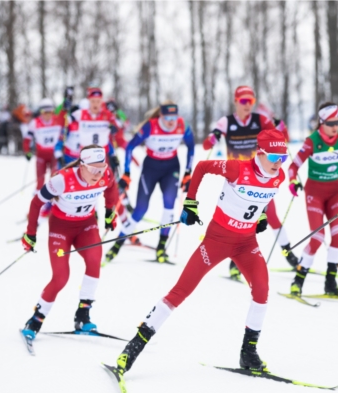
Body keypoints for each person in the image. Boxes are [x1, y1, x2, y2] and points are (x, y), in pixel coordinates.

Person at [113, 129, 288, 375]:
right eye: (273, 157)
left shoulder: (278, 176)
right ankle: (132, 348)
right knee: (181, 291)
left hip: (247, 243)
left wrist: (259, 215)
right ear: (260, 153)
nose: (279, 163)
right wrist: (190, 202)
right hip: (217, 240)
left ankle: (248, 353)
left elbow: (263, 197)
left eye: (283, 157)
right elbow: (203, 167)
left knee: (262, 289)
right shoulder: (237, 169)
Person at [20, 145, 119, 340]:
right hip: (61, 228)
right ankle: (36, 320)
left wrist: (109, 212)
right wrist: (30, 233)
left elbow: (112, 189)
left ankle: (83, 316)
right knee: (61, 277)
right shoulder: (62, 180)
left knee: (94, 260)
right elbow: (36, 203)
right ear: (82, 166)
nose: (98, 174)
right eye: (93, 169)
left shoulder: (105, 175)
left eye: (101, 168)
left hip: (86, 225)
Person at [204, 85, 299, 279]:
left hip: (259, 178)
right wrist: (213, 137)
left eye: (251, 101)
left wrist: (282, 127)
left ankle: (289, 254)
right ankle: (234, 263)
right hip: (237, 181)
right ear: (236, 101)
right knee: (238, 222)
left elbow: (282, 141)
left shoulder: (261, 120)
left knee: (271, 216)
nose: (247, 105)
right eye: (244, 101)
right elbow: (207, 144)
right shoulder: (226, 122)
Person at [287, 103, 338, 297]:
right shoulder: (312, 141)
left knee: (337, 236)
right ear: (321, 123)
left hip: (334, 193)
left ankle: (330, 282)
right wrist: (292, 181)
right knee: (317, 238)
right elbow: (293, 167)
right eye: (331, 123)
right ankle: (298, 280)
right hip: (314, 194)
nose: (335, 127)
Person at [104, 101, 195, 263]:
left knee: (169, 205)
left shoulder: (182, 125)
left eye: (174, 117)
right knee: (141, 209)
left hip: (171, 168)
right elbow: (130, 147)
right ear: (161, 116)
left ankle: (161, 249)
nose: (171, 121)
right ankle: (117, 246)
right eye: (167, 117)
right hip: (151, 168)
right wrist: (126, 173)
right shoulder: (151, 126)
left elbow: (191, 147)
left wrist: (188, 172)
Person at [23, 98, 66, 190]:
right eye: (44, 112)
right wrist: (27, 152)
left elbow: (65, 112)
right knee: (40, 180)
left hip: (54, 155)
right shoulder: (35, 123)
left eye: (50, 112)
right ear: (40, 112)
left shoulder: (58, 120)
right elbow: (27, 139)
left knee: (55, 179)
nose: (47, 115)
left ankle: (54, 200)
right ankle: (39, 200)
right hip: (41, 156)